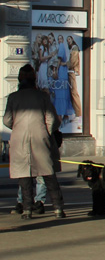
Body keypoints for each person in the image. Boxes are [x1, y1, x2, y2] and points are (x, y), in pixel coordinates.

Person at [3, 65, 66, 218]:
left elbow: (7, 120)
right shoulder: (42, 97)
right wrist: (46, 132)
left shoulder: (13, 97)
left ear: (20, 80)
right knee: (48, 173)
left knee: (24, 176)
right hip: (41, 137)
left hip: (20, 139)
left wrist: (18, 127)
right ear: (34, 79)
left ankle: (27, 210)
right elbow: (52, 119)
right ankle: (58, 208)